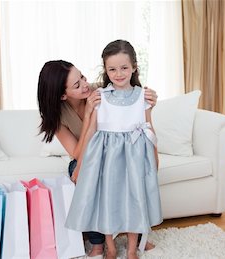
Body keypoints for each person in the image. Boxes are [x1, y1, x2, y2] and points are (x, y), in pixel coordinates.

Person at [37, 60, 158, 258]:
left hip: (114, 153)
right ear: (62, 95)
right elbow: (77, 153)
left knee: (127, 172)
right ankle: (97, 241)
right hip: (87, 158)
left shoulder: (100, 92)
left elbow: (131, 104)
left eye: (82, 77)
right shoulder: (57, 117)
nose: (85, 84)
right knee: (84, 173)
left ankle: (134, 234)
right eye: (77, 85)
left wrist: (149, 98)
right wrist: (87, 116)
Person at [65, 40, 163, 259]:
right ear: (105, 71)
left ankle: (130, 250)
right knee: (107, 201)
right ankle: (109, 247)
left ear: (134, 67)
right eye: (112, 69)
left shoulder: (142, 96)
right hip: (108, 159)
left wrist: (155, 157)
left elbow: (149, 128)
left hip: (136, 157)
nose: (118, 74)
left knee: (135, 200)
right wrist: (82, 166)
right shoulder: (100, 96)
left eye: (124, 68)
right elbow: (91, 131)